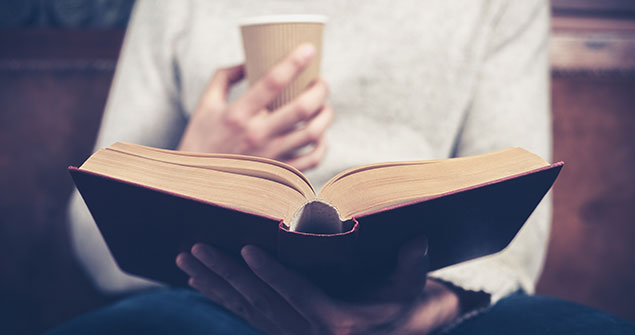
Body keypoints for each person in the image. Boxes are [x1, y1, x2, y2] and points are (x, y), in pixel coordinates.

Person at [52, 0, 634, 334]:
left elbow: (518, 224)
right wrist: (197, 157)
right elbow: (93, 242)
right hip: (213, 295)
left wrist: (413, 318)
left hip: (428, 308)